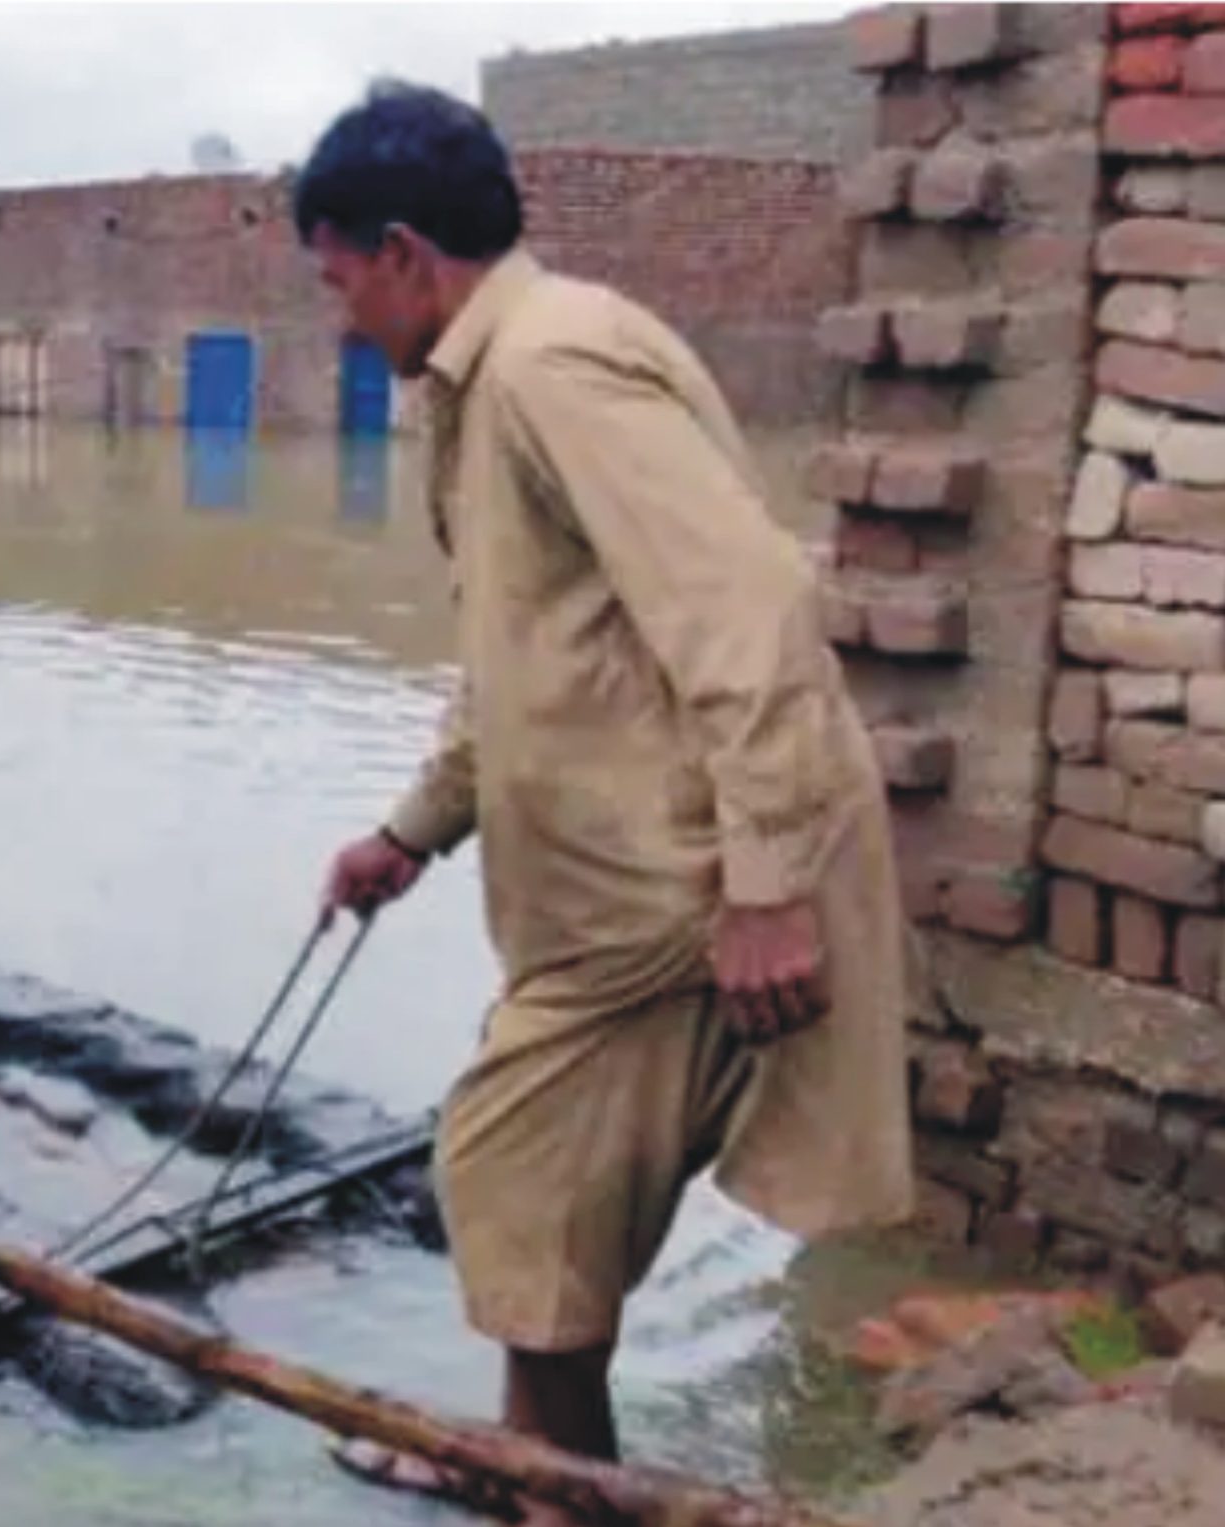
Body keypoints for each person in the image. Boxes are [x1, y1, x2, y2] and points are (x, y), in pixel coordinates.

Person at [298, 82, 913, 1517]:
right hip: (614, 895)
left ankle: (559, 1492)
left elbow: (748, 608)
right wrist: (411, 829)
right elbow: (531, 657)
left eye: (336, 282)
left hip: (676, 892)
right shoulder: (505, 367)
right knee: (543, 1203)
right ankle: (532, 1463)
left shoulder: (549, 369)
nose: (339, 319)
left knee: (513, 1167)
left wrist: (765, 887)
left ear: (400, 251)